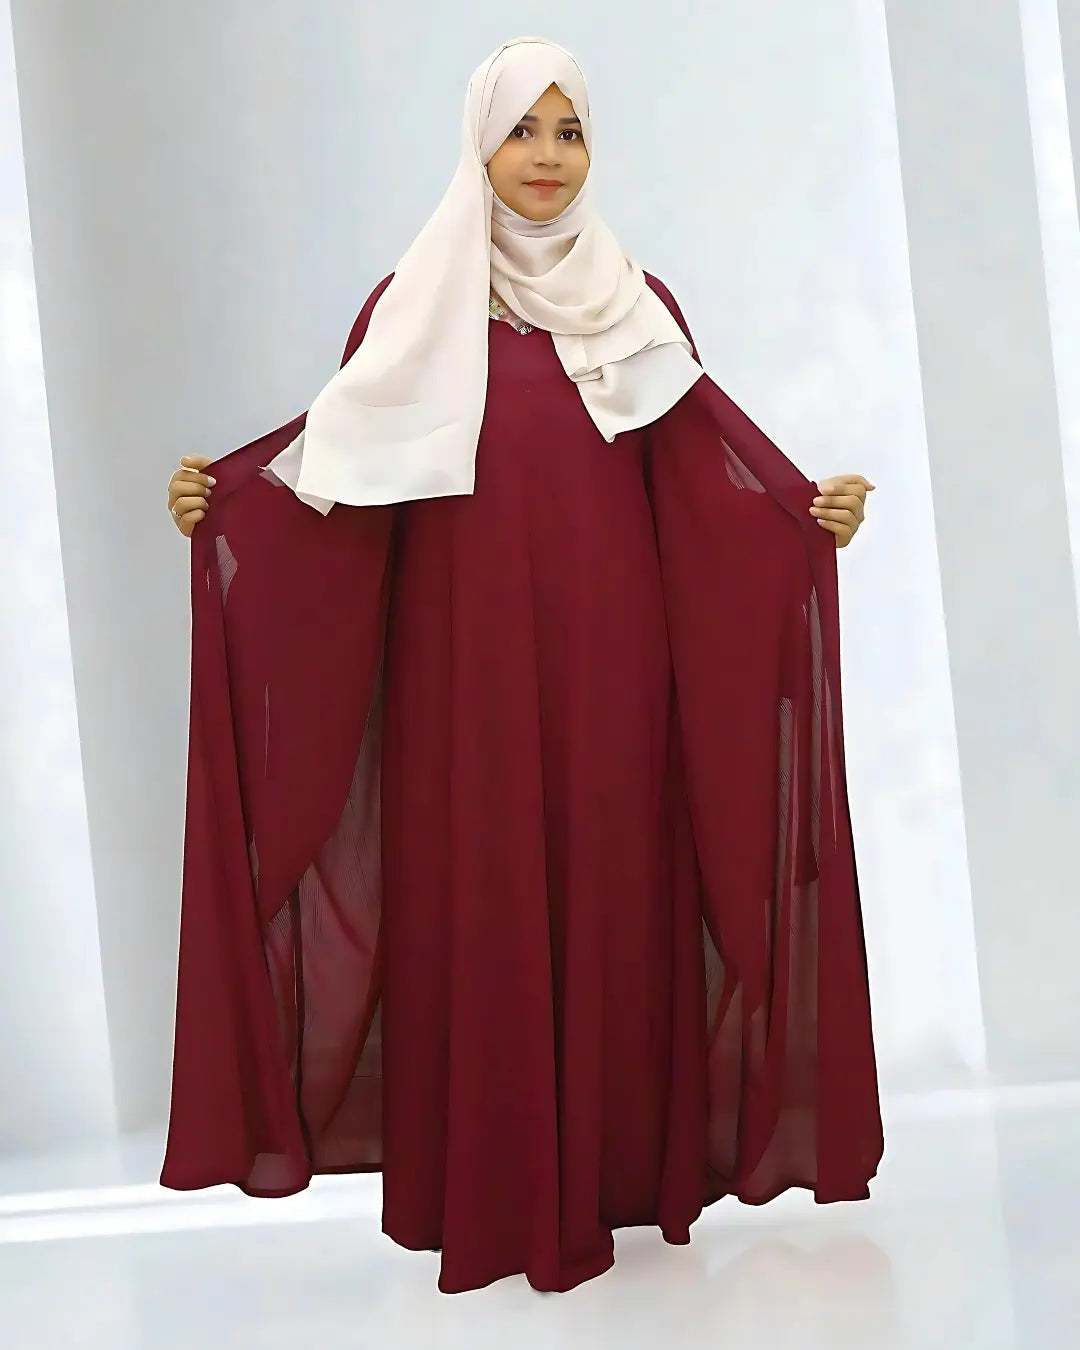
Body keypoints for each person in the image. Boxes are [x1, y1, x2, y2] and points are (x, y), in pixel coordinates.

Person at [159, 37, 883, 1296]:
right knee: (483, 899)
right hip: (466, 691)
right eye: (523, 131)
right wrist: (231, 501)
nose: (547, 159)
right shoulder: (410, 312)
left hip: (618, 682)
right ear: (478, 144)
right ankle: (484, 1189)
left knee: (612, 891)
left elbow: (705, 476)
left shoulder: (636, 308)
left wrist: (799, 515)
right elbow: (338, 478)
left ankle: (616, 1176)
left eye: (571, 132)